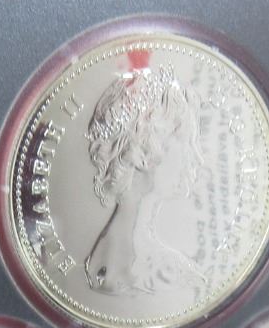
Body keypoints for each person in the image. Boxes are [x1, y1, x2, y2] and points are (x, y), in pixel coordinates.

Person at [81, 62, 209, 298]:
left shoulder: (98, 258)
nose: (197, 158)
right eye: (187, 143)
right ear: (144, 154)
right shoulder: (168, 274)